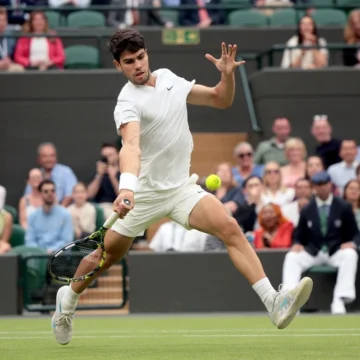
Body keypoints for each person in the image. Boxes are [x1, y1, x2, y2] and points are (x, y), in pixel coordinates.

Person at [51, 29, 313, 345]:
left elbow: (220, 99)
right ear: (118, 65)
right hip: (143, 194)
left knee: (230, 227)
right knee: (106, 255)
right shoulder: (127, 102)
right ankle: (67, 302)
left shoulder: (168, 78)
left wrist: (227, 76)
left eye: (141, 57)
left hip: (180, 189)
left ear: (147, 54)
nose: (137, 65)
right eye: (129, 61)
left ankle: (274, 302)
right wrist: (127, 188)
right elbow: (131, 146)